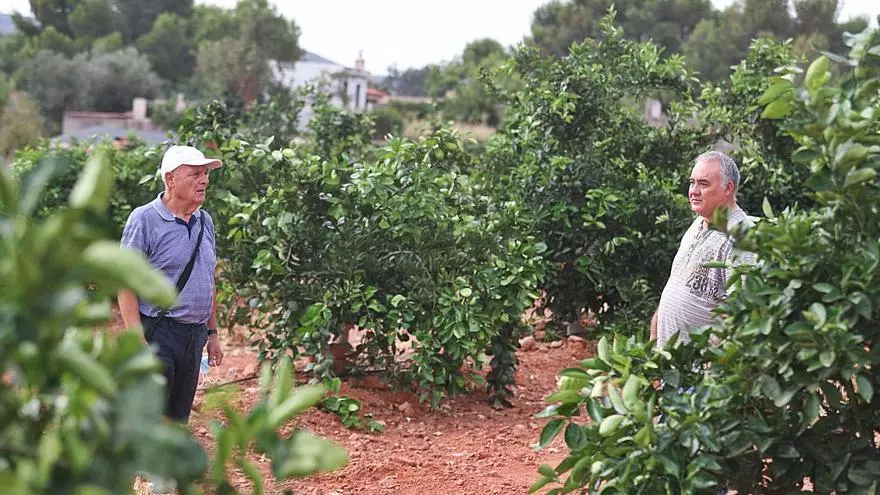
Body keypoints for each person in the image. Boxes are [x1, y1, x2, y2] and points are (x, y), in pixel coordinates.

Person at [118, 144, 225, 424]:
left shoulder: (205, 221)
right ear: (170, 179)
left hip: (194, 337)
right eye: (195, 174)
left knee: (178, 417)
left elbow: (207, 278)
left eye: (206, 173)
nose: (204, 180)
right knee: (151, 416)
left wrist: (212, 333)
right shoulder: (144, 219)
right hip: (160, 333)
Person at [651, 151, 754, 348]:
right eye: (692, 182)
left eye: (703, 184)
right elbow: (676, 284)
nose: (694, 191)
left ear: (728, 188)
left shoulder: (741, 238)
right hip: (669, 360)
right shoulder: (698, 223)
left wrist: (714, 361)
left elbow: (741, 311)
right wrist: (654, 338)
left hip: (699, 364)